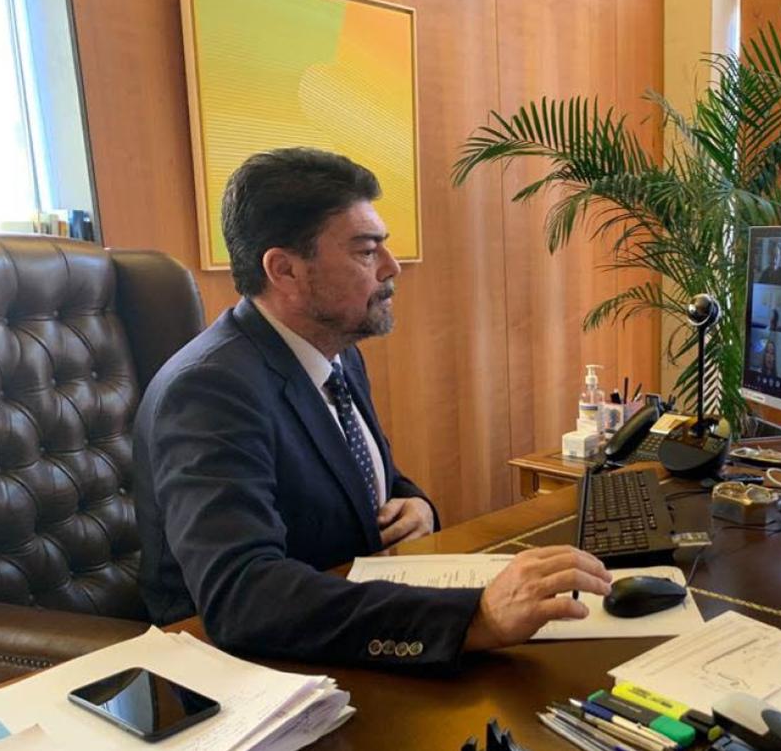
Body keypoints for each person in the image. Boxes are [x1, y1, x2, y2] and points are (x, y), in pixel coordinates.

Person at [133, 148, 611, 669]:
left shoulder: (335, 353)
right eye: (366, 252)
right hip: (243, 673)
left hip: (345, 623)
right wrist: (472, 618)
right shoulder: (209, 391)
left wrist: (417, 505)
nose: (392, 267)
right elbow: (242, 594)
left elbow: (355, 476)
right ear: (285, 270)